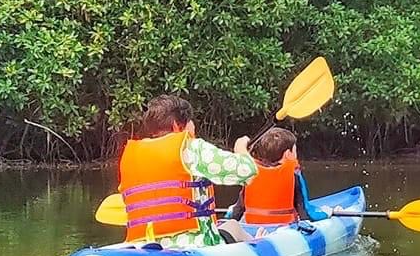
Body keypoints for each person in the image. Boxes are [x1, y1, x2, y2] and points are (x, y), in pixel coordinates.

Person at [116, 94, 256, 247]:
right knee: (233, 226)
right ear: (177, 125)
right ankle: (258, 240)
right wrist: (241, 149)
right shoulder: (192, 148)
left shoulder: (129, 156)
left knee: (229, 226)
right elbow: (246, 170)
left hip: (143, 246)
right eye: (190, 122)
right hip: (193, 247)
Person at [232, 126, 322, 231]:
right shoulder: (293, 173)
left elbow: (238, 209)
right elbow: (305, 210)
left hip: (252, 228)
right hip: (283, 230)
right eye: (295, 150)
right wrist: (326, 214)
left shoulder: (251, 172)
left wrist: (228, 221)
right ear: (288, 154)